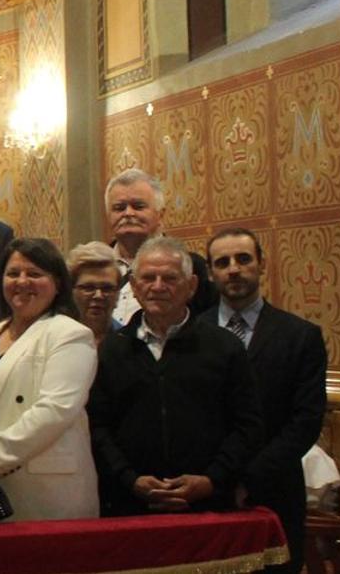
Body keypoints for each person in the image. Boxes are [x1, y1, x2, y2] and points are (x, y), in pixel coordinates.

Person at [89, 236, 263, 516]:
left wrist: (212, 480)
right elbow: (98, 426)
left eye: (169, 278)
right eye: (148, 278)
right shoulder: (112, 349)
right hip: (129, 504)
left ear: (191, 286)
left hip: (209, 505)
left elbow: (247, 424)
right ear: (134, 287)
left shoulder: (225, 347)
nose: (158, 287)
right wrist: (129, 479)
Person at [207, 227, 325, 572]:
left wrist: (250, 477)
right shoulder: (191, 334)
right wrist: (220, 478)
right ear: (211, 273)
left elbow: (305, 421)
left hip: (276, 491)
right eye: (222, 262)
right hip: (208, 493)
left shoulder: (300, 336)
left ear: (262, 264)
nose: (233, 268)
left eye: (243, 259)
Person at [0, 239, 99, 521]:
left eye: (34, 274)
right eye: (13, 273)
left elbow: (54, 411)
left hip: (42, 491)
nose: (22, 281)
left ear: (57, 283)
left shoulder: (70, 334)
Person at [104, 169, 215, 322]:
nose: (128, 213)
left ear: (160, 214)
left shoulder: (191, 266)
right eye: (119, 208)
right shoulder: (97, 266)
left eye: (138, 206)